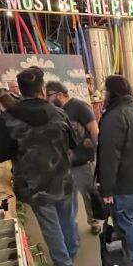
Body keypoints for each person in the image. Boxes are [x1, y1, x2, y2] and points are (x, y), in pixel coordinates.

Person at [0, 67, 78, 266]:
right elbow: (73, 143)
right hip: (63, 176)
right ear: (42, 88)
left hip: (34, 183)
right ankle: (72, 250)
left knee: (50, 225)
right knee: (67, 217)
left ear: (21, 90)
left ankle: (64, 265)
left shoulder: (9, 118)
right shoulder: (58, 113)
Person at [97, 75, 133, 266]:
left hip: (125, 182)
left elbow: (109, 159)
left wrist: (106, 190)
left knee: (127, 222)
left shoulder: (113, 117)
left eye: (105, 90)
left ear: (111, 93)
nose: (103, 94)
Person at [45, 80, 103, 236]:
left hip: (83, 161)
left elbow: (94, 129)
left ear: (59, 94)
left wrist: (96, 151)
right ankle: (71, 225)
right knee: (69, 198)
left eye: (48, 95)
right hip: (64, 162)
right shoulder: (54, 111)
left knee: (89, 194)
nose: (47, 98)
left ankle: (94, 221)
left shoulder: (80, 107)